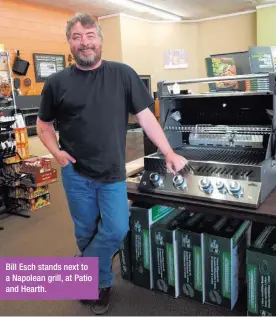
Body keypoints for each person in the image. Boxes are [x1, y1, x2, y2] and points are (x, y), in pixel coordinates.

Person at [36, 13, 188, 315]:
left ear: (100, 40)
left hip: (112, 174)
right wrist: (56, 152)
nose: (85, 42)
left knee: (117, 228)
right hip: (75, 174)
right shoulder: (56, 83)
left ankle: (81, 269)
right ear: (69, 43)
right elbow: (43, 125)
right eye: (77, 37)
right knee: (85, 232)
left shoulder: (123, 74)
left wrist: (169, 152)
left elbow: (146, 118)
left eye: (90, 35)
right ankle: (101, 283)